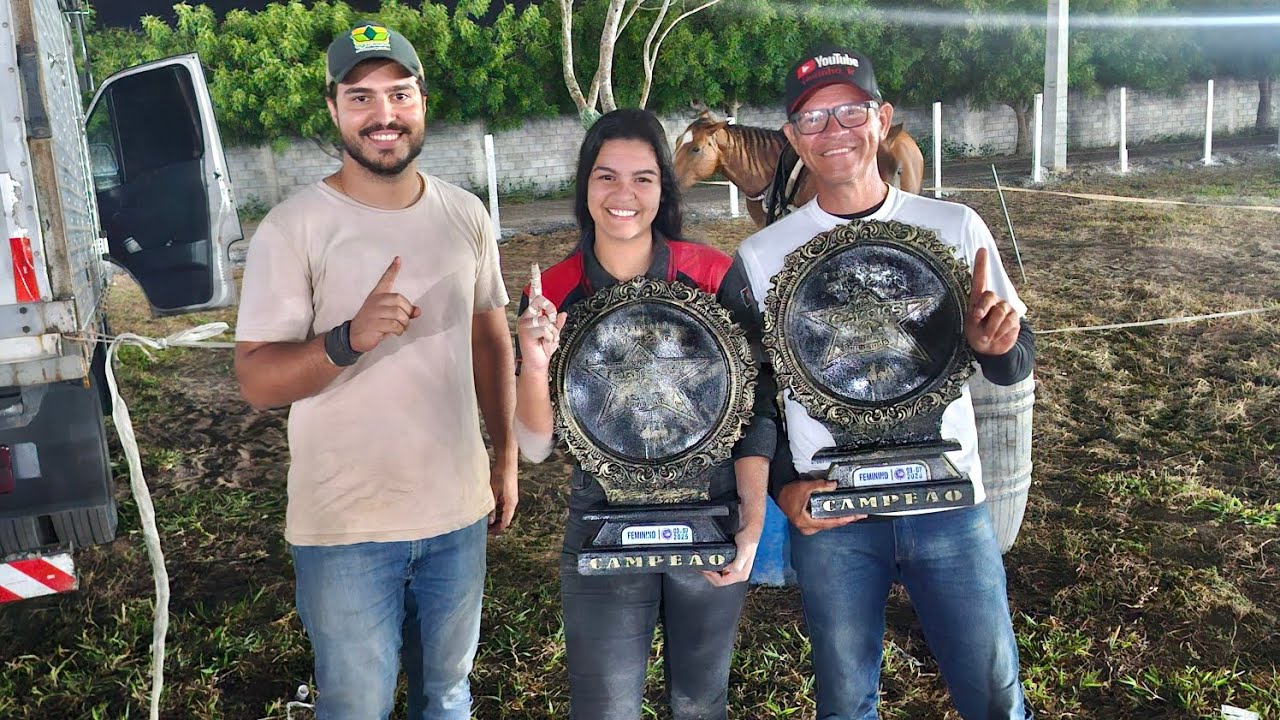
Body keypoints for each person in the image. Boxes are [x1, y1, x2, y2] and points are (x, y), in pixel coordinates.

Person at [729, 46, 1036, 719]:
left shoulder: (953, 226)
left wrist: (998, 347)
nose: (833, 131)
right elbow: (749, 399)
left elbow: (1016, 361)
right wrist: (784, 488)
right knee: (845, 704)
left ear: (882, 118)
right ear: (792, 138)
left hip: (948, 504)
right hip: (834, 513)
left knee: (994, 694)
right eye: (813, 119)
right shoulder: (758, 257)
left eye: (849, 111)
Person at [233, 22, 517, 720]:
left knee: (447, 695)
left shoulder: (465, 215)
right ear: (333, 109)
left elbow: (489, 341)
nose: (383, 114)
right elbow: (257, 381)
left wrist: (505, 457)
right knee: (356, 705)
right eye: (361, 97)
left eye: (399, 93)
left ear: (422, 101)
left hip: (456, 513)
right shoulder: (293, 227)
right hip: (346, 526)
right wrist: (346, 340)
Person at [513, 108, 776, 720]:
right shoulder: (551, 292)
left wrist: (752, 519)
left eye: (643, 178)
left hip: (709, 513)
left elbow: (758, 403)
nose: (623, 194)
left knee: (700, 702)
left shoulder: (711, 273)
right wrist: (534, 362)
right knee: (603, 707)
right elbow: (534, 446)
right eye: (606, 176)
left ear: (664, 188)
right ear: (585, 185)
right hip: (602, 520)